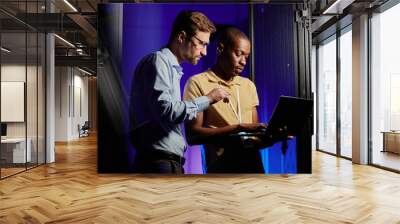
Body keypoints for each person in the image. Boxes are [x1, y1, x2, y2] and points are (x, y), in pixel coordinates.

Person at [130, 10, 229, 174]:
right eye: (201, 43)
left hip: (165, 162)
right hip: (159, 163)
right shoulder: (159, 61)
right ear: (182, 37)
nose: (204, 52)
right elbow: (167, 110)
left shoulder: (170, 67)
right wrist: (208, 99)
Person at [183, 27, 266, 173]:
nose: (243, 62)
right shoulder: (197, 83)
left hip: (253, 165)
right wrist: (238, 128)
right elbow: (193, 135)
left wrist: (273, 136)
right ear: (221, 49)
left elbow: (254, 134)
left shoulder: (248, 85)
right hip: (220, 168)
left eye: (246, 57)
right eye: (239, 54)